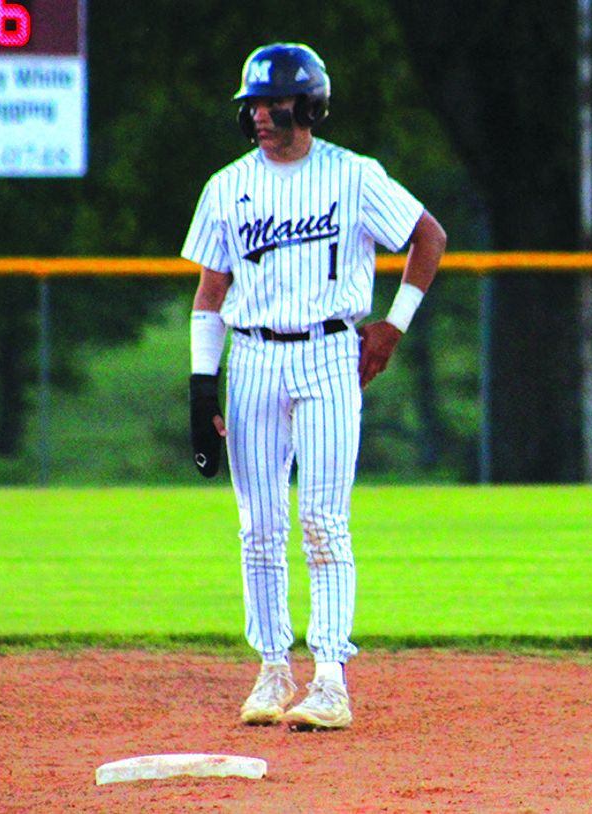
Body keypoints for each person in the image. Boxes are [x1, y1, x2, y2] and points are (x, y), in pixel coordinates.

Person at [182, 42, 446, 730]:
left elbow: (428, 236)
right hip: (255, 358)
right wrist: (201, 389)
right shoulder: (227, 186)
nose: (261, 116)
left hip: (331, 354)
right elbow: (210, 295)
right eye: (254, 105)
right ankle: (272, 670)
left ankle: (329, 678)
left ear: (310, 105)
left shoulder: (353, 176)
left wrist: (394, 325)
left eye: (274, 104)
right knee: (259, 527)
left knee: (323, 523)